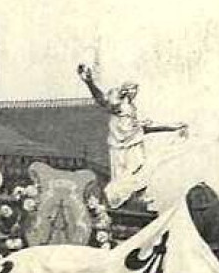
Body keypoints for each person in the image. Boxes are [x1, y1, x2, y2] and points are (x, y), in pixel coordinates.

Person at [77, 63, 188, 207]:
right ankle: (123, 199)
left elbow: (144, 129)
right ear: (126, 91)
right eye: (133, 89)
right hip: (120, 147)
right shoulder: (118, 105)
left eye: (136, 90)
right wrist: (90, 82)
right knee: (122, 177)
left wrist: (172, 128)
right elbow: (102, 100)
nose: (135, 92)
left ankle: (138, 195)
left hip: (134, 143)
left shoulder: (132, 110)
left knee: (139, 169)